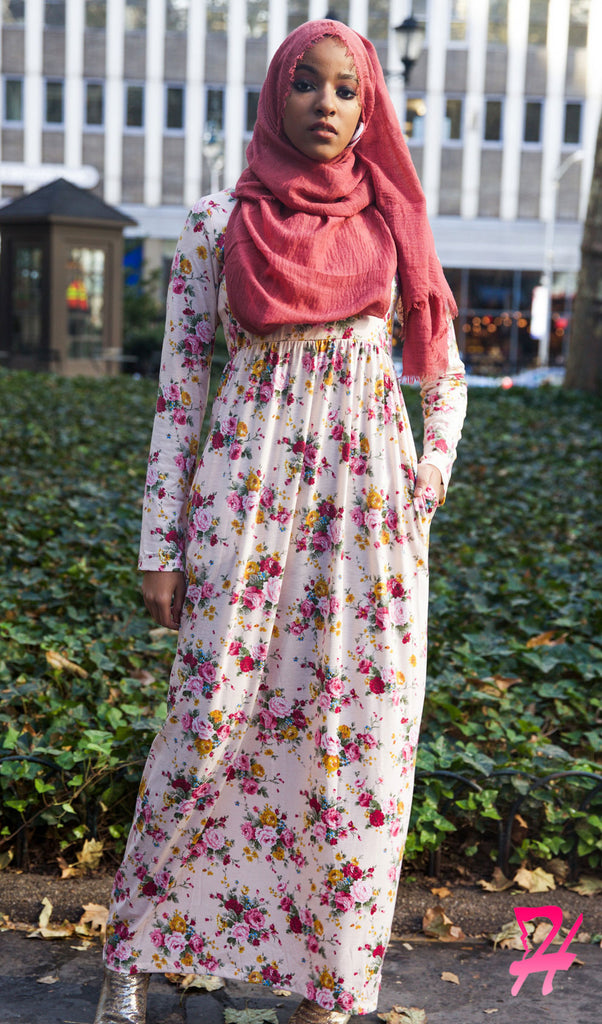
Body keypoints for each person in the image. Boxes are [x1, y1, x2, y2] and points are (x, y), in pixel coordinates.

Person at [94, 18, 467, 1024]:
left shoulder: (392, 223)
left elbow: (443, 379)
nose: (325, 104)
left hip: (369, 531)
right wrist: (158, 545)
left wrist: (417, 485)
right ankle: (131, 948)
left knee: (363, 739)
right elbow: (179, 391)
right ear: (274, 94)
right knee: (208, 723)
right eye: (304, 83)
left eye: (347, 89)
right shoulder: (217, 223)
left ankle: (329, 984)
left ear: (368, 105)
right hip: (245, 506)